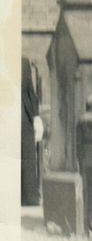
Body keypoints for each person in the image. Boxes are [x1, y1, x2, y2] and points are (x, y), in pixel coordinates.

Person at [21, 57, 43, 206]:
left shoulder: (23, 62)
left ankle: (29, 198)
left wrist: (36, 117)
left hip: (23, 116)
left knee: (28, 157)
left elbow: (30, 91)